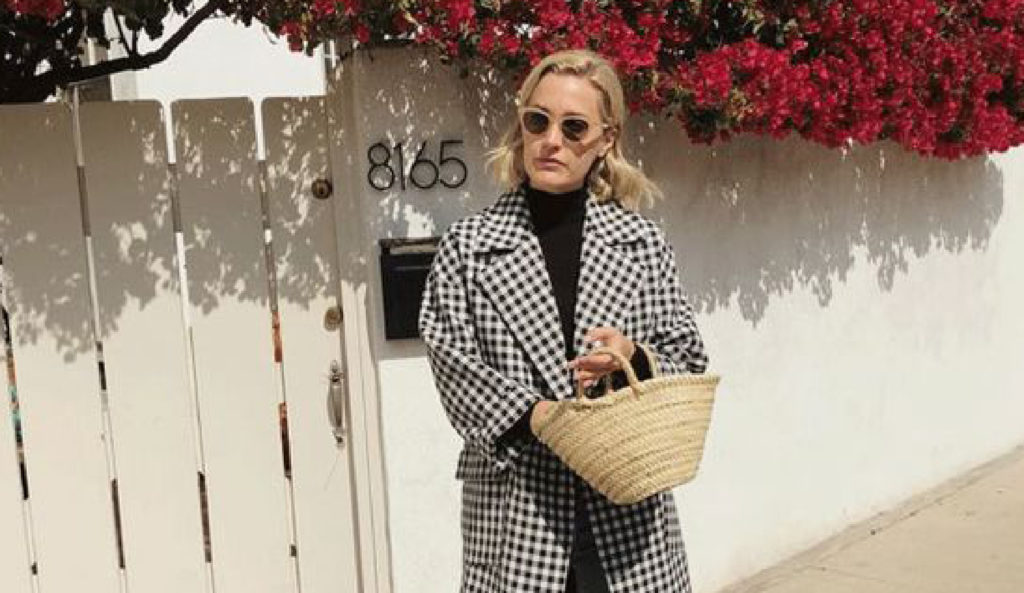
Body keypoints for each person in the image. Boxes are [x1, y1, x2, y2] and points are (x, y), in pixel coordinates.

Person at [419, 48, 709, 593]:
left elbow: (688, 362)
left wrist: (634, 357)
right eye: (538, 121)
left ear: (605, 140)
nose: (551, 140)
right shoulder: (470, 245)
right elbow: (450, 360)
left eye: (574, 127)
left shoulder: (641, 243)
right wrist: (542, 417)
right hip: (517, 511)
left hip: (628, 515)